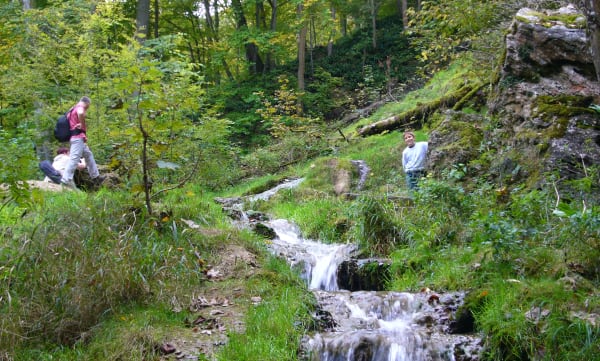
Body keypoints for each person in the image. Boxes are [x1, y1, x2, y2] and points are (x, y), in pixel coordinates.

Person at [60, 96, 105, 188]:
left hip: (76, 137)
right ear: (87, 103)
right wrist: (83, 125)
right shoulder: (80, 107)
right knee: (74, 158)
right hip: (77, 138)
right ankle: (65, 180)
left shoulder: (71, 109)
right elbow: (81, 114)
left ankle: (96, 177)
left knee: (88, 155)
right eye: (88, 106)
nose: (87, 108)